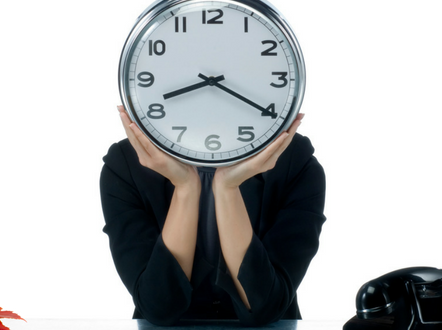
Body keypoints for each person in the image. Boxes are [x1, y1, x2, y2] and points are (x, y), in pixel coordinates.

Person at [99, 106, 325, 326]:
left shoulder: (295, 162)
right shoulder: (125, 165)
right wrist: (185, 187)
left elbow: (265, 306)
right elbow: (159, 307)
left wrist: (228, 187)